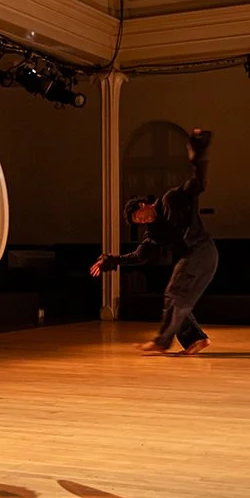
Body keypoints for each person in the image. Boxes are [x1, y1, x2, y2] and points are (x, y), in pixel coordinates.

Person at [90, 129, 217, 356]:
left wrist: (198, 156)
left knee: (176, 291)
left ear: (143, 206)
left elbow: (198, 184)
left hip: (202, 250)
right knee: (174, 296)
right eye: (138, 222)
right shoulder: (154, 233)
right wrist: (110, 260)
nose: (142, 221)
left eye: (139, 216)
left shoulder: (170, 199)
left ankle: (162, 341)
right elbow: (140, 256)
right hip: (193, 256)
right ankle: (196, 339)